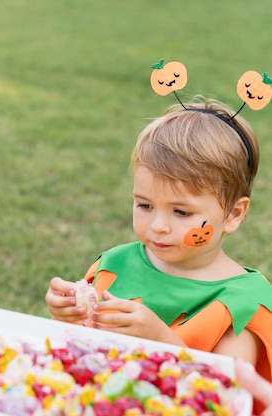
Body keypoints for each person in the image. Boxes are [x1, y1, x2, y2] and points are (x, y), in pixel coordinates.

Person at [45, 97, 272, 414]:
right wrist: (66, 314)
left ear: (233, 214)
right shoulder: (115, 265)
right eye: (145, 205)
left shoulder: (244, 302)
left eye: (181, 212)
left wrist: (160, 338)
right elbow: (80, 350)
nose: (159, 226)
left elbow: (225, 396)